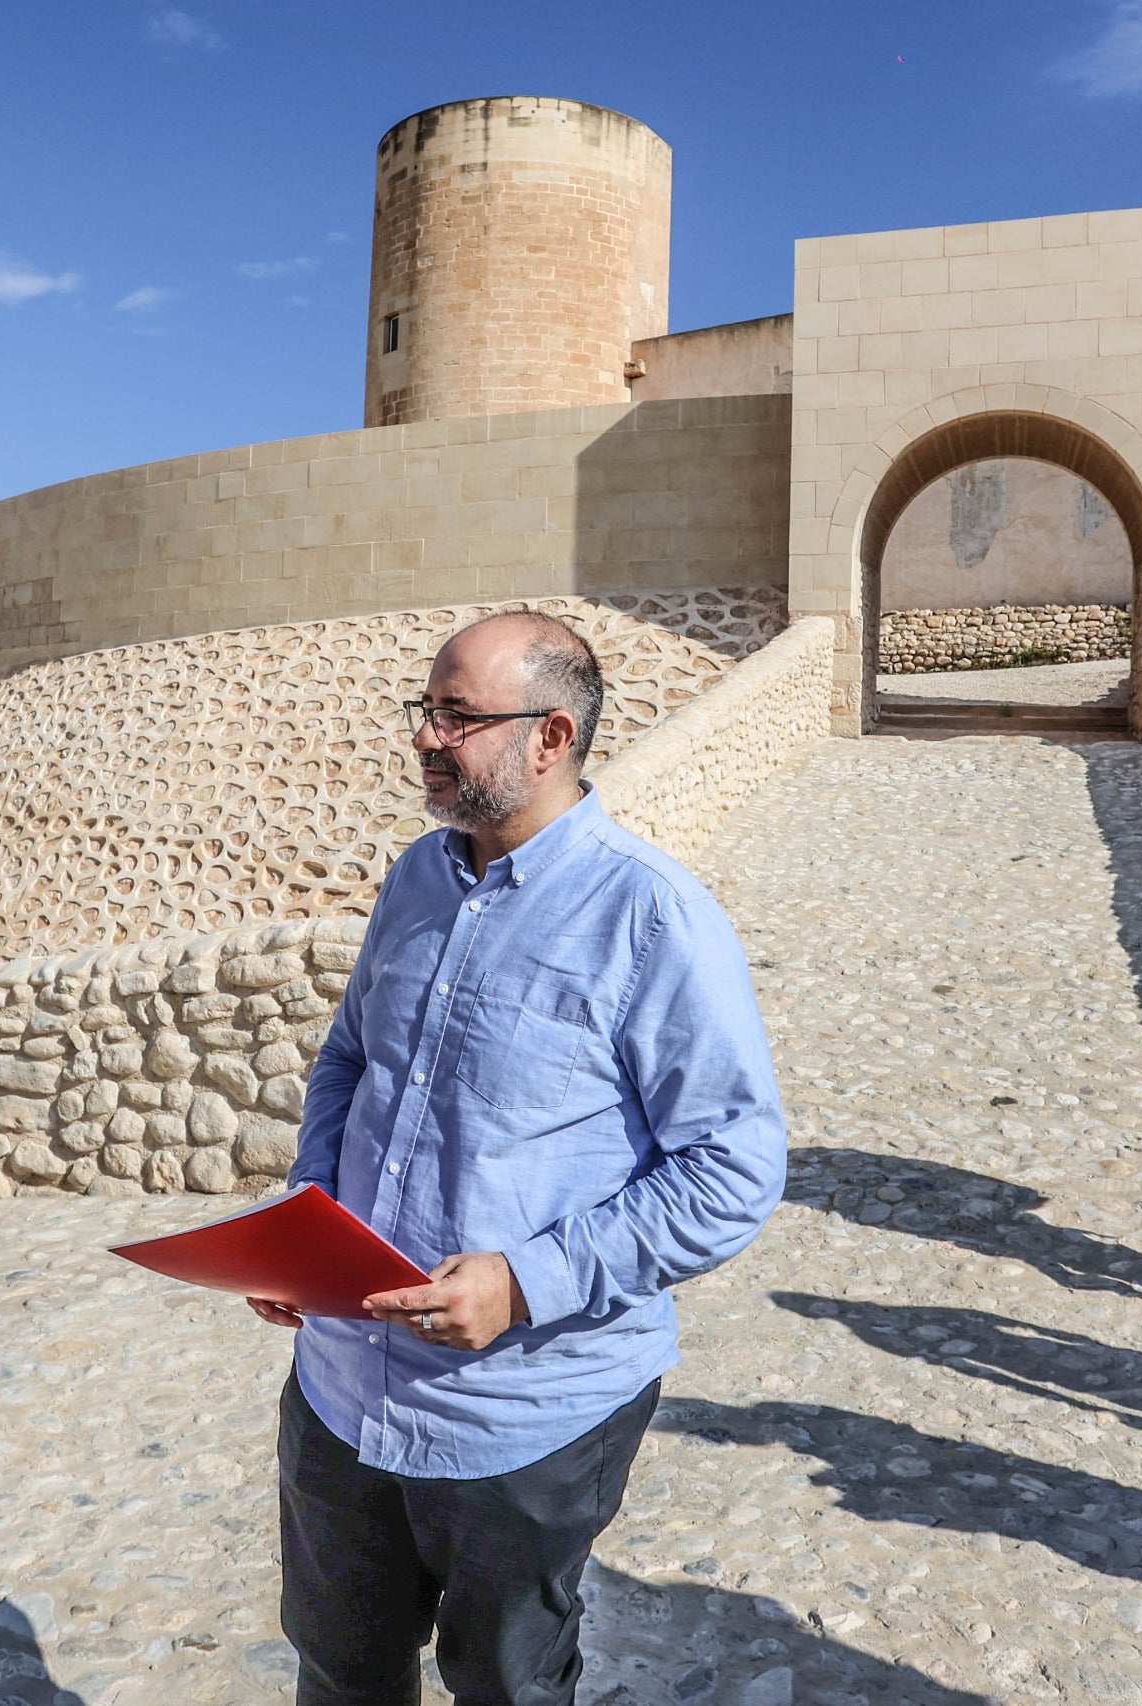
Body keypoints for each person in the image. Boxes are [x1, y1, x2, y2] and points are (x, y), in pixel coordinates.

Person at [253, 610, 787, 1706]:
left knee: (508, 1686)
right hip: (342, 1393)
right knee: (339, 1669)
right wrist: (309, 1209)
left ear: (549, 736)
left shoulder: (652, 916)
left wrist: (527, 1278)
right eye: (425, 709)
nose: (425, 736)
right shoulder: (414, 877)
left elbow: (732, 1167)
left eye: (457, 715)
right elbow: (352, 1057)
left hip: (525, 1416)